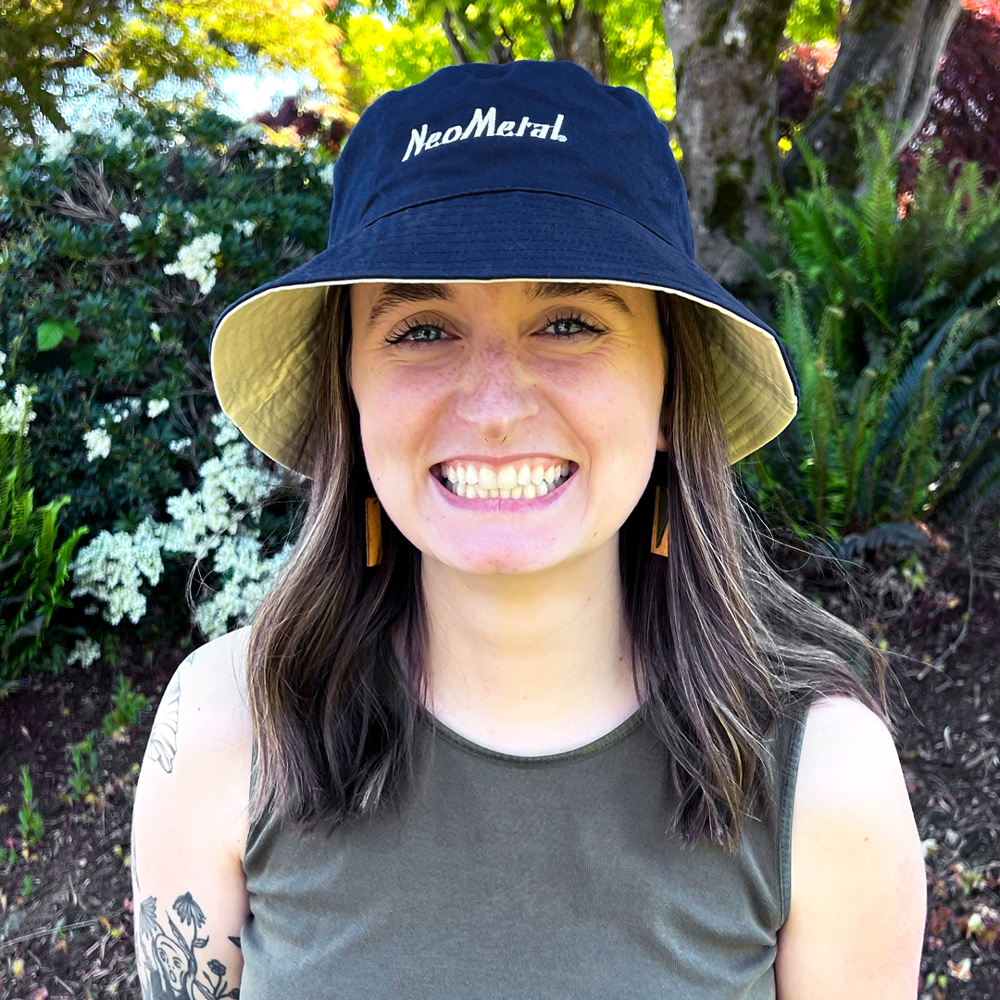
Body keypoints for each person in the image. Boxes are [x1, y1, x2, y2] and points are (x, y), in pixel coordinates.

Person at [130, 59, 926, 999]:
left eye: (571, 321)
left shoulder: (823, 784)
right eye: (422, 328)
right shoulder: (231, 727)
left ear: (673, 389)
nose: (496, 405)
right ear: (348, 391)